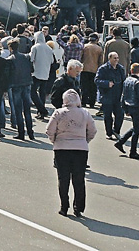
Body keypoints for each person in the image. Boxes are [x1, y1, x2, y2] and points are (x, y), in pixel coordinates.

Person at [46, 89, 97, 217]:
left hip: (61, 148)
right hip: (80, 149)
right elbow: (92, 130)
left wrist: (55, 141)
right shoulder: (85, 113)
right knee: (79, 179)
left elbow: (49, 130)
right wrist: (85, 141)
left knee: (63, 179)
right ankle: (78, 207)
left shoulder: (58, 113)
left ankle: (64, 206)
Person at [116, 63, 139, 159]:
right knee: (137, 130)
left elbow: (123, 96)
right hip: (137, 108)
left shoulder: (127, 81)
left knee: (135, 127)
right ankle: (133, 151)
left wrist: (125, 109)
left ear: (131, 70)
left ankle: (121, 142)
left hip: (129, 106)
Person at [95, 51, 126, 140]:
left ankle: (116, 131)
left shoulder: (120, 68)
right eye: (114, 58)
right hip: (107, 96)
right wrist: (106, 83)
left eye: (117, 58)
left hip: (118, 96)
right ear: (109, 58)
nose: (116, 60)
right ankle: (109, 133)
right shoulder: (103, 69)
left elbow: (124, 80)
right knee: (108, 116)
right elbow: (97, 80)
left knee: (120, 115)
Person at [30, 31, 54, 120]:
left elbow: (31, 59)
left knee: (32, 92)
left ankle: (42, 110)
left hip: (36, 72)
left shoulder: (35, 47)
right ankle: (41, 112)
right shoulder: (49, 48)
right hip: (46, 72)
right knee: (42, 93)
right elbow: (52, 61)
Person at [80, 33, 103, 109]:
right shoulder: (99, 49)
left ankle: (84, 101)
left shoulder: (84, 47)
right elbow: (100, 61)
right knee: (93, 87)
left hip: (84, 68)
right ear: (96, 40)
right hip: (94, 69)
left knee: (84, 86)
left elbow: (81, 57)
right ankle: (92, 102)